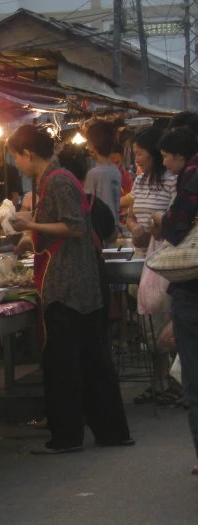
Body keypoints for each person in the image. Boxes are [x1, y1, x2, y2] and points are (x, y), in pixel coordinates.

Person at [0, 125, 132, 454]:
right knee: (92, 357)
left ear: (28, 154)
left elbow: (73, 225)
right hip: (78, 280)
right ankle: (110, 430)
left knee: (64, 362)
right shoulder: (53, 178)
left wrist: (29, 225)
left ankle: (66, 437)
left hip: (67, 281)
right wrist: (0, 217)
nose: (15, 163)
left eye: (16, 157)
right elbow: (51, 215)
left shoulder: (57, 179)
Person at [148, 128, 198, 469]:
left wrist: (158, 221)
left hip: (194, 292)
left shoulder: (193, 174)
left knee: (196, 380)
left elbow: (177, 225)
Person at [126, 127, 178, 405]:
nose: (136, 159)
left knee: (163, 323)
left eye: (139, 153)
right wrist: (135, 228)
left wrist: (155, 230)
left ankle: (173, 381)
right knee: (146, 325)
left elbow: (172, 224)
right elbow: (131, 216)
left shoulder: (172, 182)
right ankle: (158, 381)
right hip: (140, 259)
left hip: (163, 263)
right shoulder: (139, 181)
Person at [57, 145, 116, 333]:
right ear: (86, 173)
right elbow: (112, 235)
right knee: (97, 343)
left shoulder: (58, 204)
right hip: (96, 280)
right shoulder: (95, 203)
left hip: (67, 286)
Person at [85, 120, 122, 227]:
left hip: (99, 232)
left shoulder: (93, 174)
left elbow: (88, 206)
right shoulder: (115, 171)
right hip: (113, 227)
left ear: (92, 146)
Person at [110, 143, 134, 227]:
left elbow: (130, 199)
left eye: (117, 162)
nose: (115, 166)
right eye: (112, 163)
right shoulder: (96, 175)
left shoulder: (126, 176)